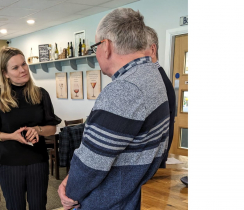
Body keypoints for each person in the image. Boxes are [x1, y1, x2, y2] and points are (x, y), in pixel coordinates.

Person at [57, 8, 170, 210]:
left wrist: (70, 193)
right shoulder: (153, 75)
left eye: (95, 46)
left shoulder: (125, 88)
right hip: (131, 194)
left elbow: (91, 163)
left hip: (109, 202)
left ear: (106, 46)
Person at [0, 47, 61, 210]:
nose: (23, 70)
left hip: (37, 161)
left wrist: (37, 129)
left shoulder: (40, 94)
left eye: (23, 64)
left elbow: (52, 128)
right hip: (10, 163)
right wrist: (11, 136)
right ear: (5, 73)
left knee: (39, 206)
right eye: (15, 67)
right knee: (15, 206)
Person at [144, 26, 176, 168]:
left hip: (151, 164)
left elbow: (166, 127)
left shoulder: (158, 80)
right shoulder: (153, 78)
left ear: (152, 50)